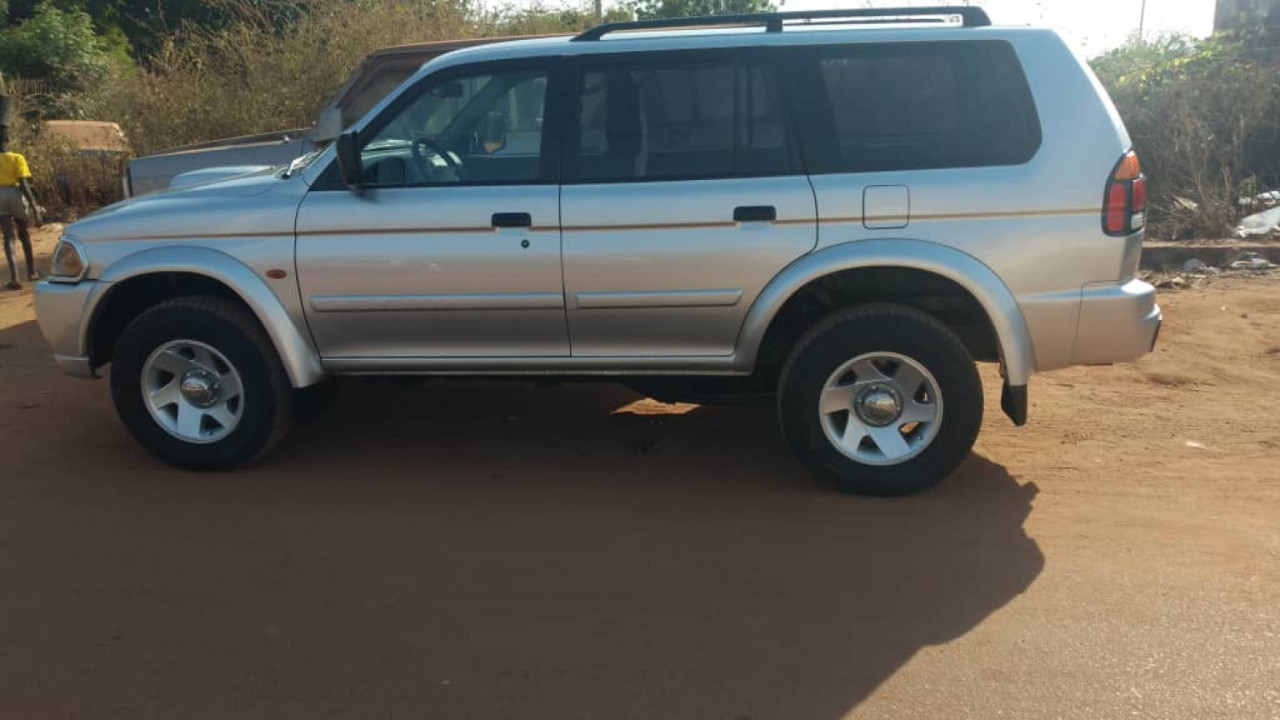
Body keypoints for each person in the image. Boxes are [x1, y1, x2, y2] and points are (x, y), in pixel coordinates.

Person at [0, 127, 42, 290]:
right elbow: (24, 184)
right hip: (15, 193)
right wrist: (35, 207)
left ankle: (15, 277)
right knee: (24, 233)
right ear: (7, 141)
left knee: (8, 237)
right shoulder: (17, 158)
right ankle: (31, 272)